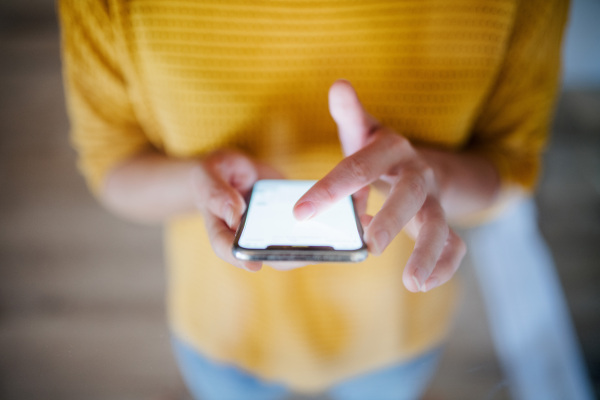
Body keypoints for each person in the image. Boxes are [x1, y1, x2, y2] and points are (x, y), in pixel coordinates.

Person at [58, 1, 569, 399]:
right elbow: (112, 167)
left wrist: (437, 177)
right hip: (223, 331)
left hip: (395, 337)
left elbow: (512, 165)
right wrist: (198, 181)